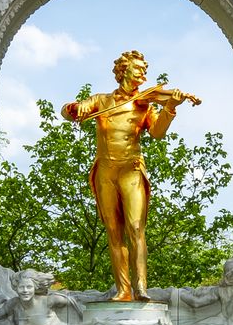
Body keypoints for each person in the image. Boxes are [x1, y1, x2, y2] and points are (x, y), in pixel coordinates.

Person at [59, 50, 200, 302]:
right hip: (105, 170)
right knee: (113, 231)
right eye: (139, 69)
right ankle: (123, 289)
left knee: (135, 227)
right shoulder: (101, 100)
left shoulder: (145, 104)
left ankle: (141, 286)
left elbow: (157, 133)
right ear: (124, 70)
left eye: (145, 70)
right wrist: (74, 109)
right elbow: (67, 112)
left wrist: (169, 106)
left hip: (131, 169)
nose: (143, 74)